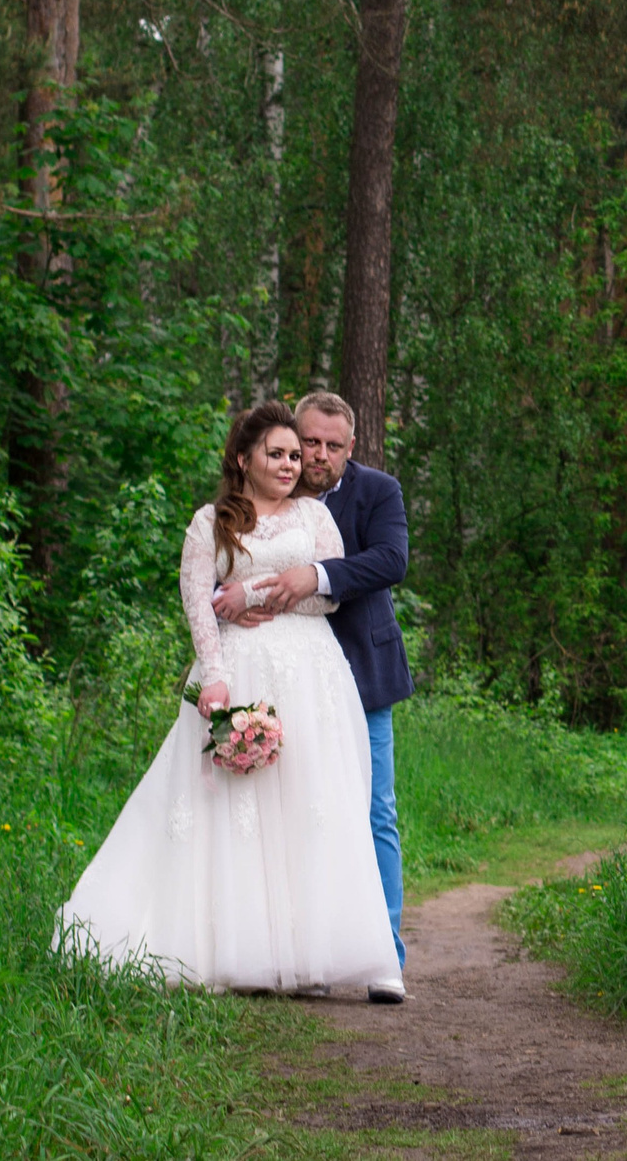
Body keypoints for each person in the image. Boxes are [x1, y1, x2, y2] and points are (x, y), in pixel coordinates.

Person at [56, 401, 401, 997]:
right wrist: (213, 674)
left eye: (297, 455)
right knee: (240, 809)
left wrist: (255, 592)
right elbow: (198, 603)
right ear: (243, 458)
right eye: (280, 453)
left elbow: (330, 595)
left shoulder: (316, 517)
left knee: (309, 807)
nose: (293, 464)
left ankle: (308, 957)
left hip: (312, 675)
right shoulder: (208, 522)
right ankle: (241, 949)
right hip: (240, 667)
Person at [218, 390, 412, 1001]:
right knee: (292, 807)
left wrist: (319, 575)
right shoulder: (259, 497)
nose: (318, 455)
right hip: (280, 677)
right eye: (310, 443)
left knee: (371, 808)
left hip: (359, 666)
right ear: (290, 439)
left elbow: (390, 559)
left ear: (352, 448)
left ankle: (384, 954)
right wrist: (239, 609)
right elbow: (222, 576)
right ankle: (298, 952)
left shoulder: (377, 492)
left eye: (333, 445)